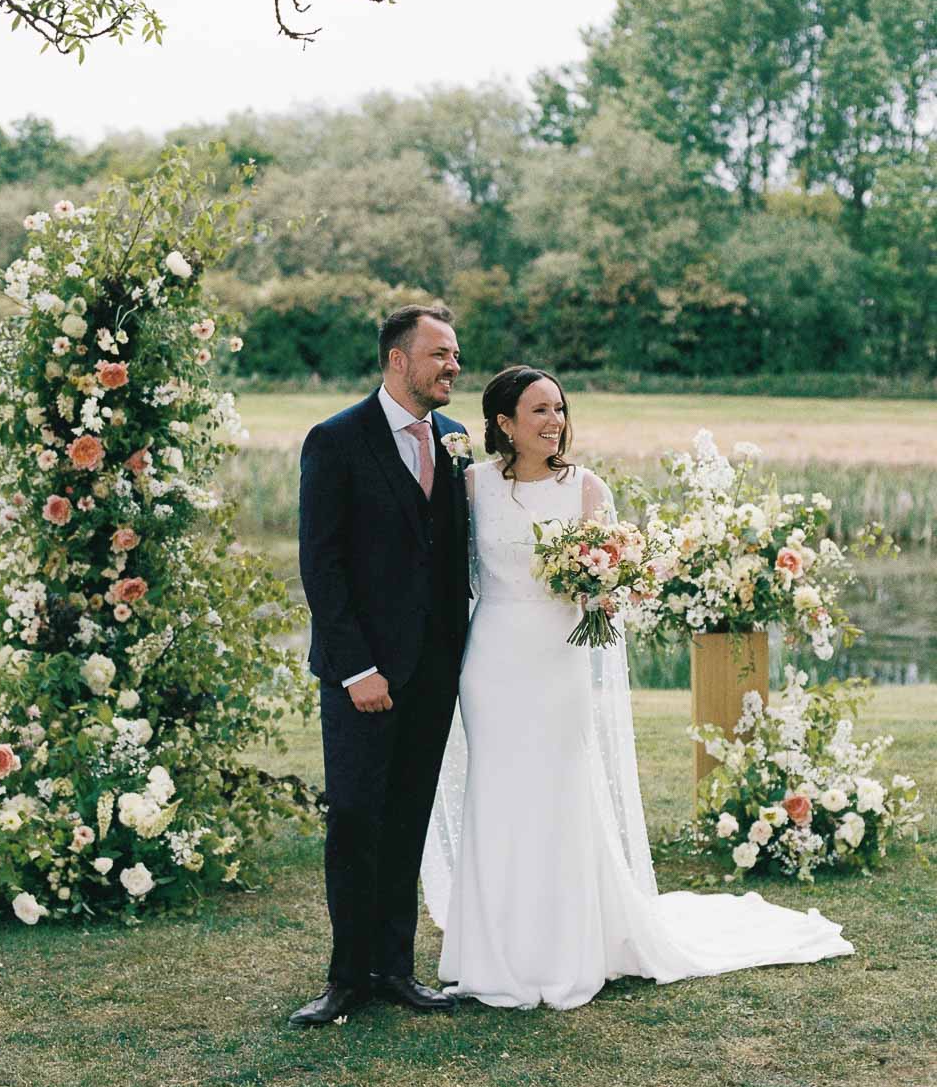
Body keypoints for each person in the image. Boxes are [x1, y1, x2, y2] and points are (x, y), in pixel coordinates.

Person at [421, 365, 853, 1010]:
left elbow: (614, 588)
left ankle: (570, 944)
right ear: (504, 423)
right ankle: (494, 948)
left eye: (559, 409)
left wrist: (599, 590)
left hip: (558, 658)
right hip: (492, 659)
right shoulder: (472, 487)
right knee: (498, 789)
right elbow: (449, 574)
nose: (553, 421)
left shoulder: (586, 488)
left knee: (561, 788)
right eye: (537, 411)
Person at [291, 304, 472, 1027]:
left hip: (434, 671)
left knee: (408, 819)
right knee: (357, 819)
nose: (453, 366)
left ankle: (396, 969)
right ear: (398, 360)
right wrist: (356, 668)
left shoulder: (457, 440)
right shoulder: (336, 440)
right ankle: (346, 978)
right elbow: (321, 566)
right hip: (362, 673)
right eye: (441, 354)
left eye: (456, 354)